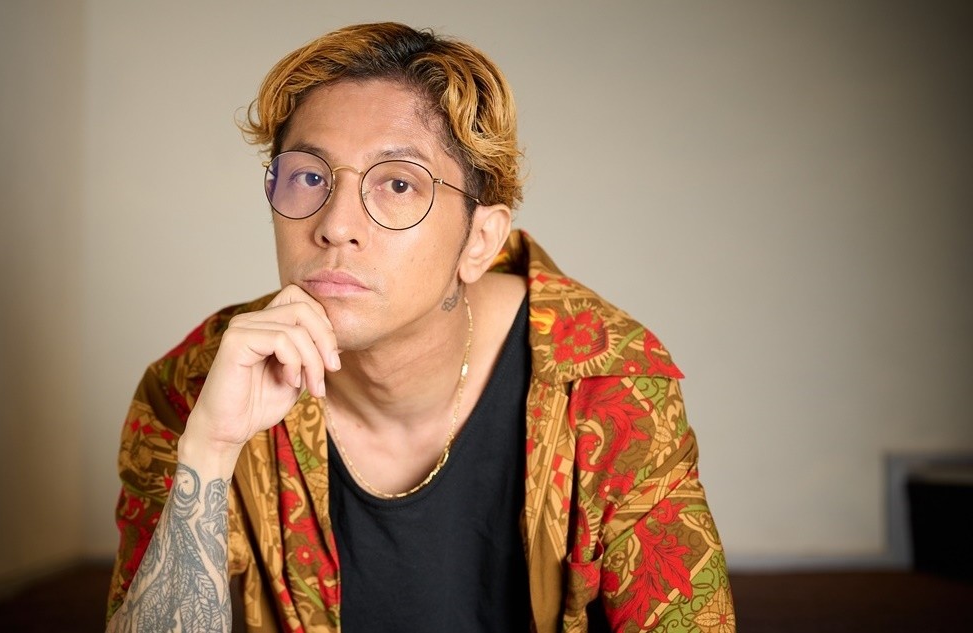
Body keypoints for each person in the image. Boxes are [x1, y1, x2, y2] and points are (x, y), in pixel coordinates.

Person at [105, 22, 732, 633]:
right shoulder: (199, 385)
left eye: (398, 184)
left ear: (479, 240)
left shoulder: (606, 383)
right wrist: (210, 449)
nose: (335, 226)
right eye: (309, 177)